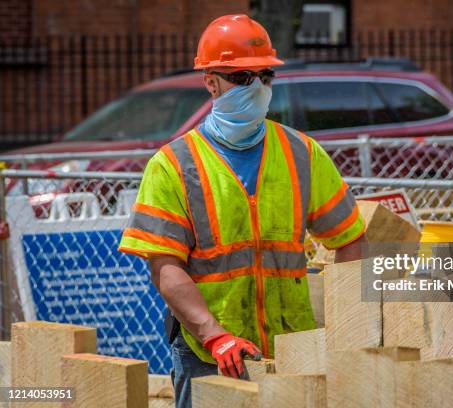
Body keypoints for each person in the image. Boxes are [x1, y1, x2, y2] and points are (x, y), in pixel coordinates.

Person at [118, 14, 366, 408]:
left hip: (291, 353)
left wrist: (346, 325)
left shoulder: (301, 153)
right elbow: (165, 266)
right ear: (211, 82)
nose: (257, 87)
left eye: (264, 76)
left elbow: (350, 238)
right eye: (243, 77)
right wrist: (215, 335)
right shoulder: (174, 165)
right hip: (209, 357)